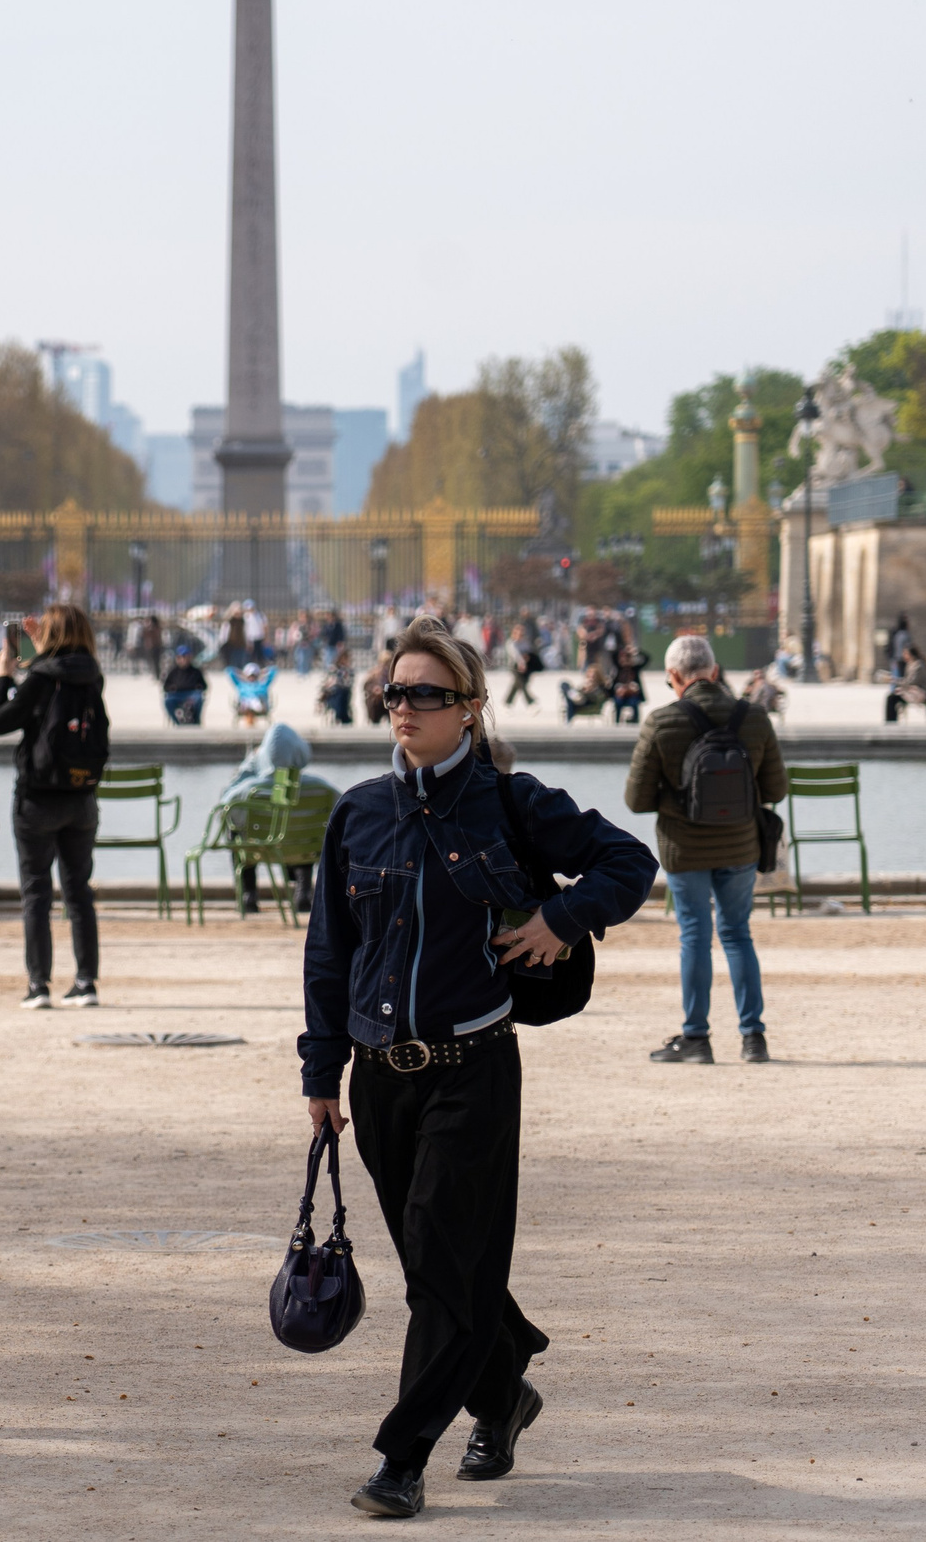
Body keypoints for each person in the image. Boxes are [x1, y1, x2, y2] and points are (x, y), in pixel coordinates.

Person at [301, 614, 654, 1518]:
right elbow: (329, 954)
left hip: (474, 1069)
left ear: (468, 707)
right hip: (381, 1077)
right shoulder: (358, 813)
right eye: (395, 691)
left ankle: (402, 1456)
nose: (405, 706)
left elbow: (630, 858)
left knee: (446, 1259)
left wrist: (561, 922)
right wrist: (321, 1071)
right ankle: (502, 1394)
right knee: (435, 1267)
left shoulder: (513, 802)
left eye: (427, 693)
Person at [625, 633, 787, 1066]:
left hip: (685, 849)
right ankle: (754, 1038)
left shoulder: (661, 722)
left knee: (694, 936)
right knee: (738, 935)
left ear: (674, 676)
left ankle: (696, 1038)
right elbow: (776, 788)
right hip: (741, 845)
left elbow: (635, 800)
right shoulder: (754, 718)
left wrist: (677, 799)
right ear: (714, 672)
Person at [0, 602, 108, 1009]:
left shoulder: (39, 677)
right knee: (79, 892)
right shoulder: (93, 676)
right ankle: (86, 982)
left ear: (49, 635)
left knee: (36, 892)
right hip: (81, 796)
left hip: (38, 797)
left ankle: (39, 985)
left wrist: (4, 677)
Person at [219, 721, 336, 916]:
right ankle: (304, 891)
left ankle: (249, 895)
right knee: (306, 831)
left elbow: (224, 809)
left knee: (236, 831)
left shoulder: (248, 790)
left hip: (260, 850)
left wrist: (249, 765)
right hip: (304, 851)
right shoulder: (322, 788)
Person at [883, 645, 926, 722]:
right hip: (912, 691)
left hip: (920, 693)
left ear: (910, 654)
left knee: (892, 698)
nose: (903, 655)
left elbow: (911, 682)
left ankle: (891, 721)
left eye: (905, 653)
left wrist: (893, 679)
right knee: (892, 697)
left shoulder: (918, 666)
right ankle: (891, 720)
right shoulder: (911, 664)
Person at [161, 645, 207, 726]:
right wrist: (171, 688)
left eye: (185, 657)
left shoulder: (195, 671)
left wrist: (199, 687)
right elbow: (165, 687)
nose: (182, 660)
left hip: (191, 694)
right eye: (180, 657)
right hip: (177, 695)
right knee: (168, 701)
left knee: (199, 698)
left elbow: (204, 686)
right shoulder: (173, 672)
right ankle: (177, 723)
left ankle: (196, 720)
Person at [318, 646, 356, 725]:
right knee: (339, 692)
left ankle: (342, 714)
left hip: (344, 693)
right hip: (332, 694)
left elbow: (349, 683)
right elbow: (325, 681)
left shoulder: (349, 671)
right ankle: (341, 714)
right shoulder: (333, 668)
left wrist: (338, 682)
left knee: (343, 692)